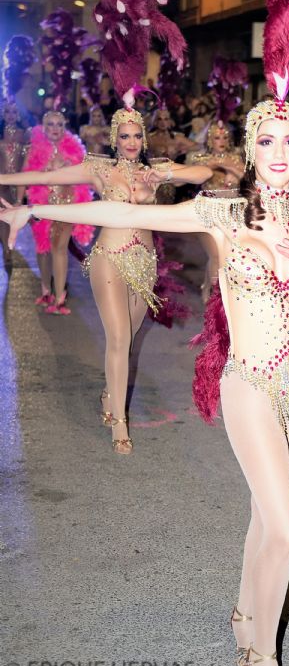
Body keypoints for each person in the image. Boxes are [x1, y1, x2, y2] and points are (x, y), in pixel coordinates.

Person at [0, 99, 289, 666]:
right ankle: (263, 659)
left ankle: (246, 613)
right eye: (268, 142)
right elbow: (121, 207)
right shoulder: (220, 214)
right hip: (248, 381)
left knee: (264, 512)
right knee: (287, 524)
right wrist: (35, 206)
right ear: (252, 152)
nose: (279, 154)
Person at [0, 108, 214, 452]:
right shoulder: (98, 169)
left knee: (127, 341)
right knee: (117, 338)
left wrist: (165, 174)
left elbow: (203, 173)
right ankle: (119, 423)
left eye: (137, 135)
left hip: (144, 262)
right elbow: (43, 174)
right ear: (114, 139)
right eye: (125, 136)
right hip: (108, 259)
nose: (131, 142)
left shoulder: (153, 170)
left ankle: (110, 393)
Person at [18, 111, 94, 312]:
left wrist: (70, 169)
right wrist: (19, 201)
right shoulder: (34, 149)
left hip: (65, 205)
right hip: (40, 205)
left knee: (60, 248)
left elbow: (86, 178)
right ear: (43, 127)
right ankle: (45, 290)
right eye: (50, 124)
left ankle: (59, 298)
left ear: (65, 126)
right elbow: (24, 177)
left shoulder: (75, 150)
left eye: (59, 124)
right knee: (43, 249)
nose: (55, 128)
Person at [185, 121, 245, 300]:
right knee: (217, 255)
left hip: (232, 215)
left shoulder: (236, 159)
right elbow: (191, 177)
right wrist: (213, 165)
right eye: (217, 137)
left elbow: (247, 179)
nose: (222, 141)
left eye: (225, 137)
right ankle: (214, 300)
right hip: (207, 214)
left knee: (224, 256)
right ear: (209, 140)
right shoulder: (200, 159)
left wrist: (229, 167)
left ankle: (207, 288)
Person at [0, 101, 29, 266]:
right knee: (3, 216)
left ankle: (8, 247)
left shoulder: (24, 134)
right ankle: (6, 248)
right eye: (7, 112)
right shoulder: (0, 133)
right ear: (3, 115)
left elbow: (29, 158)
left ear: (18, 115)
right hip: (2, 181)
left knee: (13, 216)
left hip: (18, 181)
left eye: (13, 112)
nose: (10, 115)